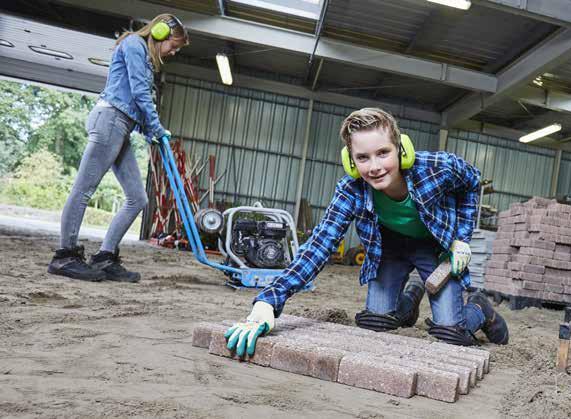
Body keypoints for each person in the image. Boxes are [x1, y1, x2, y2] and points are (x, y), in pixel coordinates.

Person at [225, 107, 508, 356]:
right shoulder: (350, 191)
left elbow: (472, 181)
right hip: (390, 248)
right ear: (350, 161)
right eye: (362, 158)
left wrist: (462, 237)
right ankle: (410, 300)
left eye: (383, 153)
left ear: (402, 149)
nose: (374, 167)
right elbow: (318, 246)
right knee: (375, 322)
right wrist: (267, 301)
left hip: (433, 246)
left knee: (451, 334)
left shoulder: (437, 168)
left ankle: (480, 308)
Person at [47, 14, 189, 283]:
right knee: (84, 189)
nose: (174, 51)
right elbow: (139, 93)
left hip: (122, 126)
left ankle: (105, 257)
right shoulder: (135, 45)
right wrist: (156, 127)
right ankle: (65, 255)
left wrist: (150, 132)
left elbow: (137, 102)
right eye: (174, 45)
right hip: (110, 120)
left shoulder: (145, 56)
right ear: (159, 33)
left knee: (138, 198)